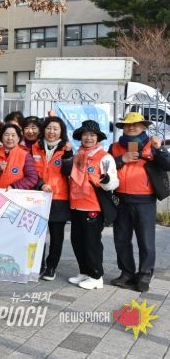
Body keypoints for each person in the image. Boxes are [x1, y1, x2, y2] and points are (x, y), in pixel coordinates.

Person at [109, 112, 170, 292]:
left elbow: (167, 165)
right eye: (127, 125)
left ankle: (144, 274)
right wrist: (122, 159)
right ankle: (127, 273)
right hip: (120, 199)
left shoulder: (153, 144)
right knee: (121, 239)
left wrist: (159, 149)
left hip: (144, 200)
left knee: (146, 240)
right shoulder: (114, 147)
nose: (131, 127)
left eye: (135, 124)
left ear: (144, 126)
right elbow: (105, 166)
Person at [68, 120, 118, 290]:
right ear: (80, 137)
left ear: (98, 138)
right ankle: (85, 271)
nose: (88, 138)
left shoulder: (104, 157)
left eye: (92, 135)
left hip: (93, 206)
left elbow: (113, 182)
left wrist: (106, 181)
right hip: (76, 204)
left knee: (91, 242)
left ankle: (96, 276)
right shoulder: (78, 154)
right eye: (85, 134)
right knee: (77, 240)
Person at [32, 117, 73, 281]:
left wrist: (68, 155)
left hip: (59, 198)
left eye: (56, 129)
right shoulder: (35, 147)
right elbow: (30, 172)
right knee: (37, 233)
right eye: (49, 128)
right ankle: (38, 264)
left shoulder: (66, 149)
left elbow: (68, 172)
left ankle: (51, 267)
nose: (52, 132)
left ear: (61, 132)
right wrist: (40, 184)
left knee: (57, 236)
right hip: (38, 196)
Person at [0, 124, 38, 189]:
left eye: (13, 135)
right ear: (1, 137)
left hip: (15, 196)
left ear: (18, 138)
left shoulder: (25, 155)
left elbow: (32, 178)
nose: (9, 138)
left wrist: (14, 186)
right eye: (6, 135)